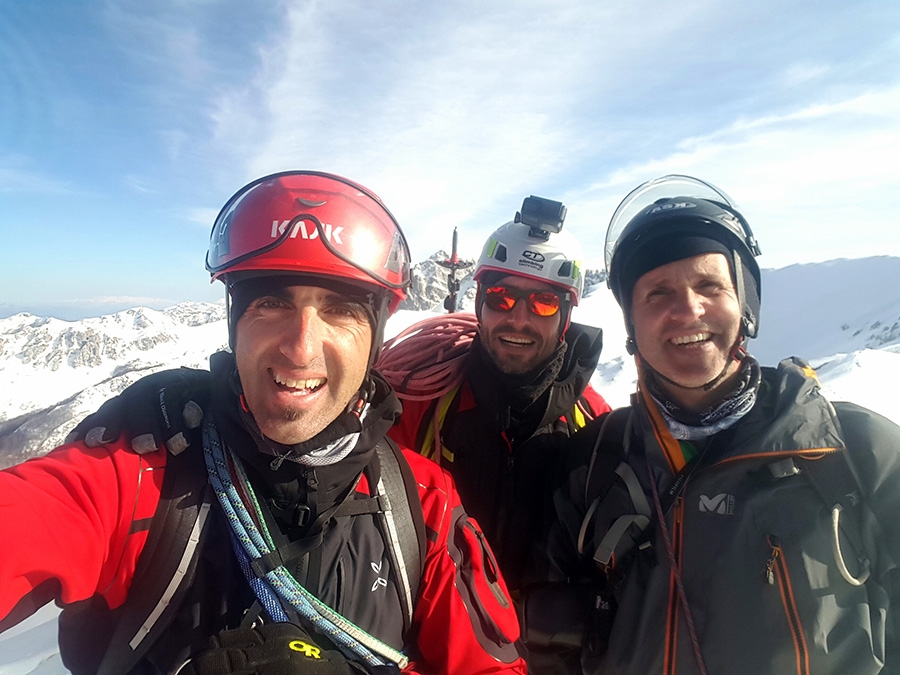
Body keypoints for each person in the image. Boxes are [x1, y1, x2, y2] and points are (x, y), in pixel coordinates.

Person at [0, 171, 525, 675]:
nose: (300, 347)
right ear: (234, 322)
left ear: (375, 339)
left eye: (340, 310)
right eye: (271, 303)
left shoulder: (423, 506)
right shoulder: (138, 474)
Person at [538, 175, 900, 674]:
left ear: (744, 304)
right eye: (657, 293)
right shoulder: (594, 463)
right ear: (632, 324)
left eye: (709, 285)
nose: (687, 310)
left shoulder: (857, 454)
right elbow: (550, 645)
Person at [382, 196, 610, 592]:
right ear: (479, 302)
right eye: (500, 297)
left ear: (565, 317)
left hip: (553, 642)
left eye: (543, 302)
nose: (518, 320)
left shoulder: (594, 424)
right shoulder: (419, 405)